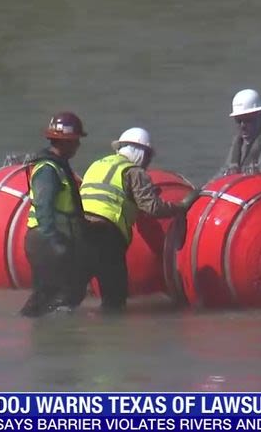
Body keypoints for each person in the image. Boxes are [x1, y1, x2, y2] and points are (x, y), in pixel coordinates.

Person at [79, 127, 200, 312]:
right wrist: (180, 207)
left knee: (72, 291)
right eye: (148, 156)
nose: (148, 163)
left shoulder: (97, 165)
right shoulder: (134, 172)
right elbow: (151, 207)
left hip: (79, 230)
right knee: (115, 299)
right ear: (140, 152)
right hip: (107, 234)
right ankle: (110, 336)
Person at [19, 112, 88, 317]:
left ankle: (52, 337)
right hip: (45, 239)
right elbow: (44, 206)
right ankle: (40, 332)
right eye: (75, 141)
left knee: (67, 292)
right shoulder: (48, 170)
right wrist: (54, 242)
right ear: (64, 142)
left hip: (52, 238)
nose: (78, 146)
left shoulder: (58, 167)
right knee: (50, 294)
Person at [213, 88, 261, 179]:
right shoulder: (240, 143)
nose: (243, 126)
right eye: (238, 120)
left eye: (248, 120)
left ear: (260, 116)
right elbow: (222, 173)